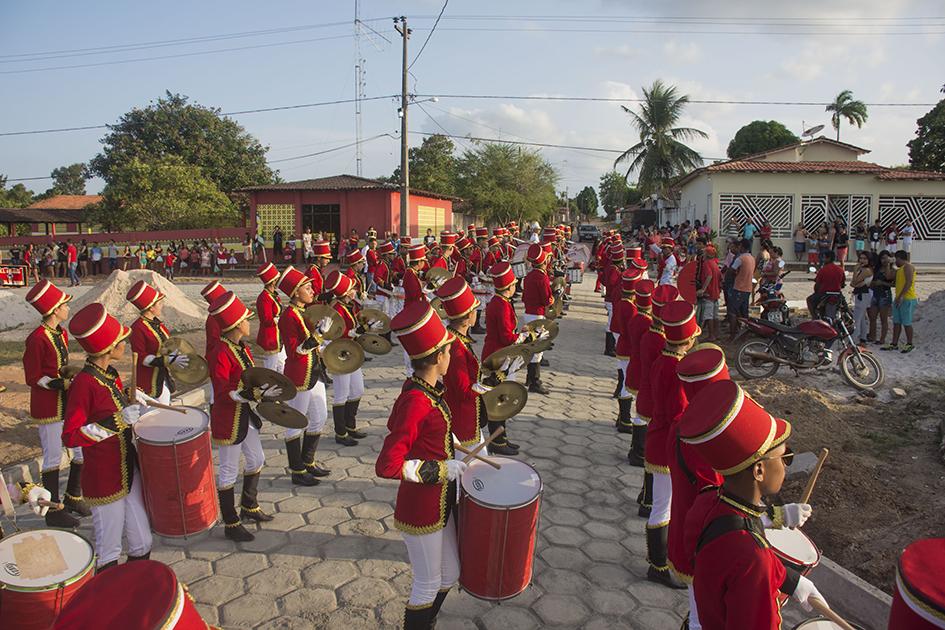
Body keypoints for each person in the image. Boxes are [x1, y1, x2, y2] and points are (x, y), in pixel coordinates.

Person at [680, 380, 823, 630]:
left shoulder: (707, 501)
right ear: (759, 470)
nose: (787, 465)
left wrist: (792, 581)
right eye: (785, 457)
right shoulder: (754, 558)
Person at [376, 302, 464, 630]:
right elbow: (387, 465)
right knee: (427, 583)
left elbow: (411, 429)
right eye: (448, 352)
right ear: (438, 357)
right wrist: (440, 469)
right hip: (421, 508)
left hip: (439, 504)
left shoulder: (424, 389)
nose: (451, 357)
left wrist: (445, 444)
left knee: (451, 573)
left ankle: (425, 622)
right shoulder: (417, 399)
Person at [62, 303, 153, 572]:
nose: (125, 342)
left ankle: (135, 588)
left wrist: (130, 400)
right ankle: (106, 604)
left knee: (143, 540)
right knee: (108, 548)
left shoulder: (107, 375)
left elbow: (110, 405)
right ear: (108, 348)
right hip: (104, 478)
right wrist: (117, 421)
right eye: (121, 340)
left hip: (127, 468)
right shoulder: (84, 384)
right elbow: (71, 436)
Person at [207, 291, 276, 542]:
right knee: (227, 469)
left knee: (257, 458)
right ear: (236, 325)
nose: (250, 322)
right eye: (247, 318)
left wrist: (263, 390)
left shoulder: (240, 347)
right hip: (228, 417)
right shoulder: (220, 352)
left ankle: (249, 505)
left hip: (244, 413)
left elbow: (249, 378)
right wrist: (247, 393)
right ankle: (230, 521)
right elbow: (222, 389)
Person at [23, 280, 90, 528]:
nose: (67, 309)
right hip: (48, 407)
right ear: (54, 310)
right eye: (64, 305)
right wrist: (57, 384)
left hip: (65, 401)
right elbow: (32, 376)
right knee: (52, 457)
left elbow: (59, 366)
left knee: (80, 449)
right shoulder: (37, 339)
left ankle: (73, 496)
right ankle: (52, 510)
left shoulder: (60, 332)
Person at [644, 298, 698, 590]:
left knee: (662, 503)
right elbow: (679, 413)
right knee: (663, 506)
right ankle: (658, 564)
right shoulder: (677, 370)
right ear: (687, 339)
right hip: (667, 444)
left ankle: (659, 561)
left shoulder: (662, 361)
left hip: (657, 435)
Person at [277, 266, 331, 486]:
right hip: (298, 374)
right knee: (296, 422)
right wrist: (317, 334)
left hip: (313, 371)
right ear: (295, 292)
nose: (312, 290)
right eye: (307, 287)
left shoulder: (302, 312)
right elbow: (295, 350)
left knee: (320, 416)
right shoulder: (289, 315)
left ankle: (308, 461)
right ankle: (297, 470)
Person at [480, 262, 527, 455]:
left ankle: (502, 437)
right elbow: (507, 337)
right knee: (498, 399)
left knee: (504, 397)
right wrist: (524, 337)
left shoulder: (500, 302)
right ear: (509, 287)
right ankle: (497, 442)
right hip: (499, 357)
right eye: (514, 283)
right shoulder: (501, 305)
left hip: (500, 353)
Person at [436, 277, 486, 451]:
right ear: (467, 318)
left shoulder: (456, 339)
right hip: (462, 417)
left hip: (463, 412)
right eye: (474, 310)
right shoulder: (456, 348)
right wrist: (488, 385)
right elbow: (464, 391)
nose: (476, 313)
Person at [126, 281, 188, 406]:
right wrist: (167, 361)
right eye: (159, 304)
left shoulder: (158, 324)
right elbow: (141, 358)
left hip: (163, 376)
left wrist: (175, 355)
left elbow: (167, 345)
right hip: (148, 381)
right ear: (151, 307)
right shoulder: (138, 328)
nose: (162, 306)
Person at [325, 270, 368, 446]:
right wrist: (352, 332)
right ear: (344, 293)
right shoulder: (336, 309)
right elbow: (334, 333)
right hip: (339, 355)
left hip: (351, 352)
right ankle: (340, 433)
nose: (354, 291)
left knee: (357, 390)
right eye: (352, 289)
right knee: (341, 395)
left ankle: (350, 426)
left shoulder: (346, 306)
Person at [624, 279, 655, 470]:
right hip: (642, 371)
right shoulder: (648, 325)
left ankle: (635, 448)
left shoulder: (637, 318)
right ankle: (638, 450)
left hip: (634, 364)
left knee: (638, 409)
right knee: (642, 413)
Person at [613, 267, 643, 434]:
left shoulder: (622, 303)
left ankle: (621, 417)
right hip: (629, 348)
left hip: (623, 345)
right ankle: (625, 419)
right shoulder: (630, 308)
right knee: (627, 383)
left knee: (625, 379)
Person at [521, 243, 553, 395]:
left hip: (527, 313)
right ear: (544, 261)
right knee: (538, 349)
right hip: (538, 315)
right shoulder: (542, 277)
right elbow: (547, 300)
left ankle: (529, 378)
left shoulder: (528, 276)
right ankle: (535, 381)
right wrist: (552, 299)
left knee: (531, 346)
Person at [255, 262, 285, 372]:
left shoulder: (273, 295)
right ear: (272, 281)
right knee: (271, 367)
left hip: (279, 335)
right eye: (277, 279)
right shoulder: (264, 298)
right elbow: (266, 319)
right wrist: (280, 319)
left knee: (282, 364)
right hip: (270, 336)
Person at [885, 250, 917, 353]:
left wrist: (901, 296)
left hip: (907, 298)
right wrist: (888, 264)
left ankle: (910, 343)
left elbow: (909, 282)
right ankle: (894, 343)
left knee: (906, 322)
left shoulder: (908, 267)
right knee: (897, 322)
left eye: (895, 259)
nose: (895, 261)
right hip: (899, 298)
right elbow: (889, 277)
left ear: (899, 258)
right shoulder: (899, 270)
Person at [726, 239, 754, 339]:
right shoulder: (751, 258)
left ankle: (733, 334)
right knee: (743, 312)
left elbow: (731, 270)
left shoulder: (740, 258)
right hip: (748, 288)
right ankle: (744, 334)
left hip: (739, 287)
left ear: (741, 246)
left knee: (732, 312)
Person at [805, 250, 845, 319]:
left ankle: (815, 317)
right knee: (845, 307)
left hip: (824, 295)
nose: (823, 259)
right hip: (837, 294)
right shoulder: (840, 270)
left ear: (828, 258)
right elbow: (842, 284)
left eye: (825, 257)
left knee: (809, 300)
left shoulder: (822, 270)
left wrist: (816, 290)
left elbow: (817, 285)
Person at [867, 251, 895, 346]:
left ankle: (882, 339)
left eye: (886, 258)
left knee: (883, 319)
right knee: (872, 317)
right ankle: (872, 336)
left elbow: (891, 282)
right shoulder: (877, 269)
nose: (884, 260)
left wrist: (882, 283)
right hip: (875, 294)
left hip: (885, 295)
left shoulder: (892, 270)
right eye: (882, 258)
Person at [695, 248, 722, 342]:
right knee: (715, 316)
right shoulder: (715, 263)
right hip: (715, 293)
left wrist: (703, 289)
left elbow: (709, 276)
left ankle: (711, 335)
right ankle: (717, 333)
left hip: (709, 293)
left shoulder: (707, 263)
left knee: (708, 316)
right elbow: (720, 277)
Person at [850, 251, 874, 344]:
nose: (862, 260)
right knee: (862, 318)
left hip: (863, 295)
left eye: (865, 259)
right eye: (861, 258)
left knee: (857, 318)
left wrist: (855, 270)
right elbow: (855, 283)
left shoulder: (866, 270)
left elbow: (854, 282)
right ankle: (863, 339)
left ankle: (852, 340)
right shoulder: (863, 269)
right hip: (861, 294)